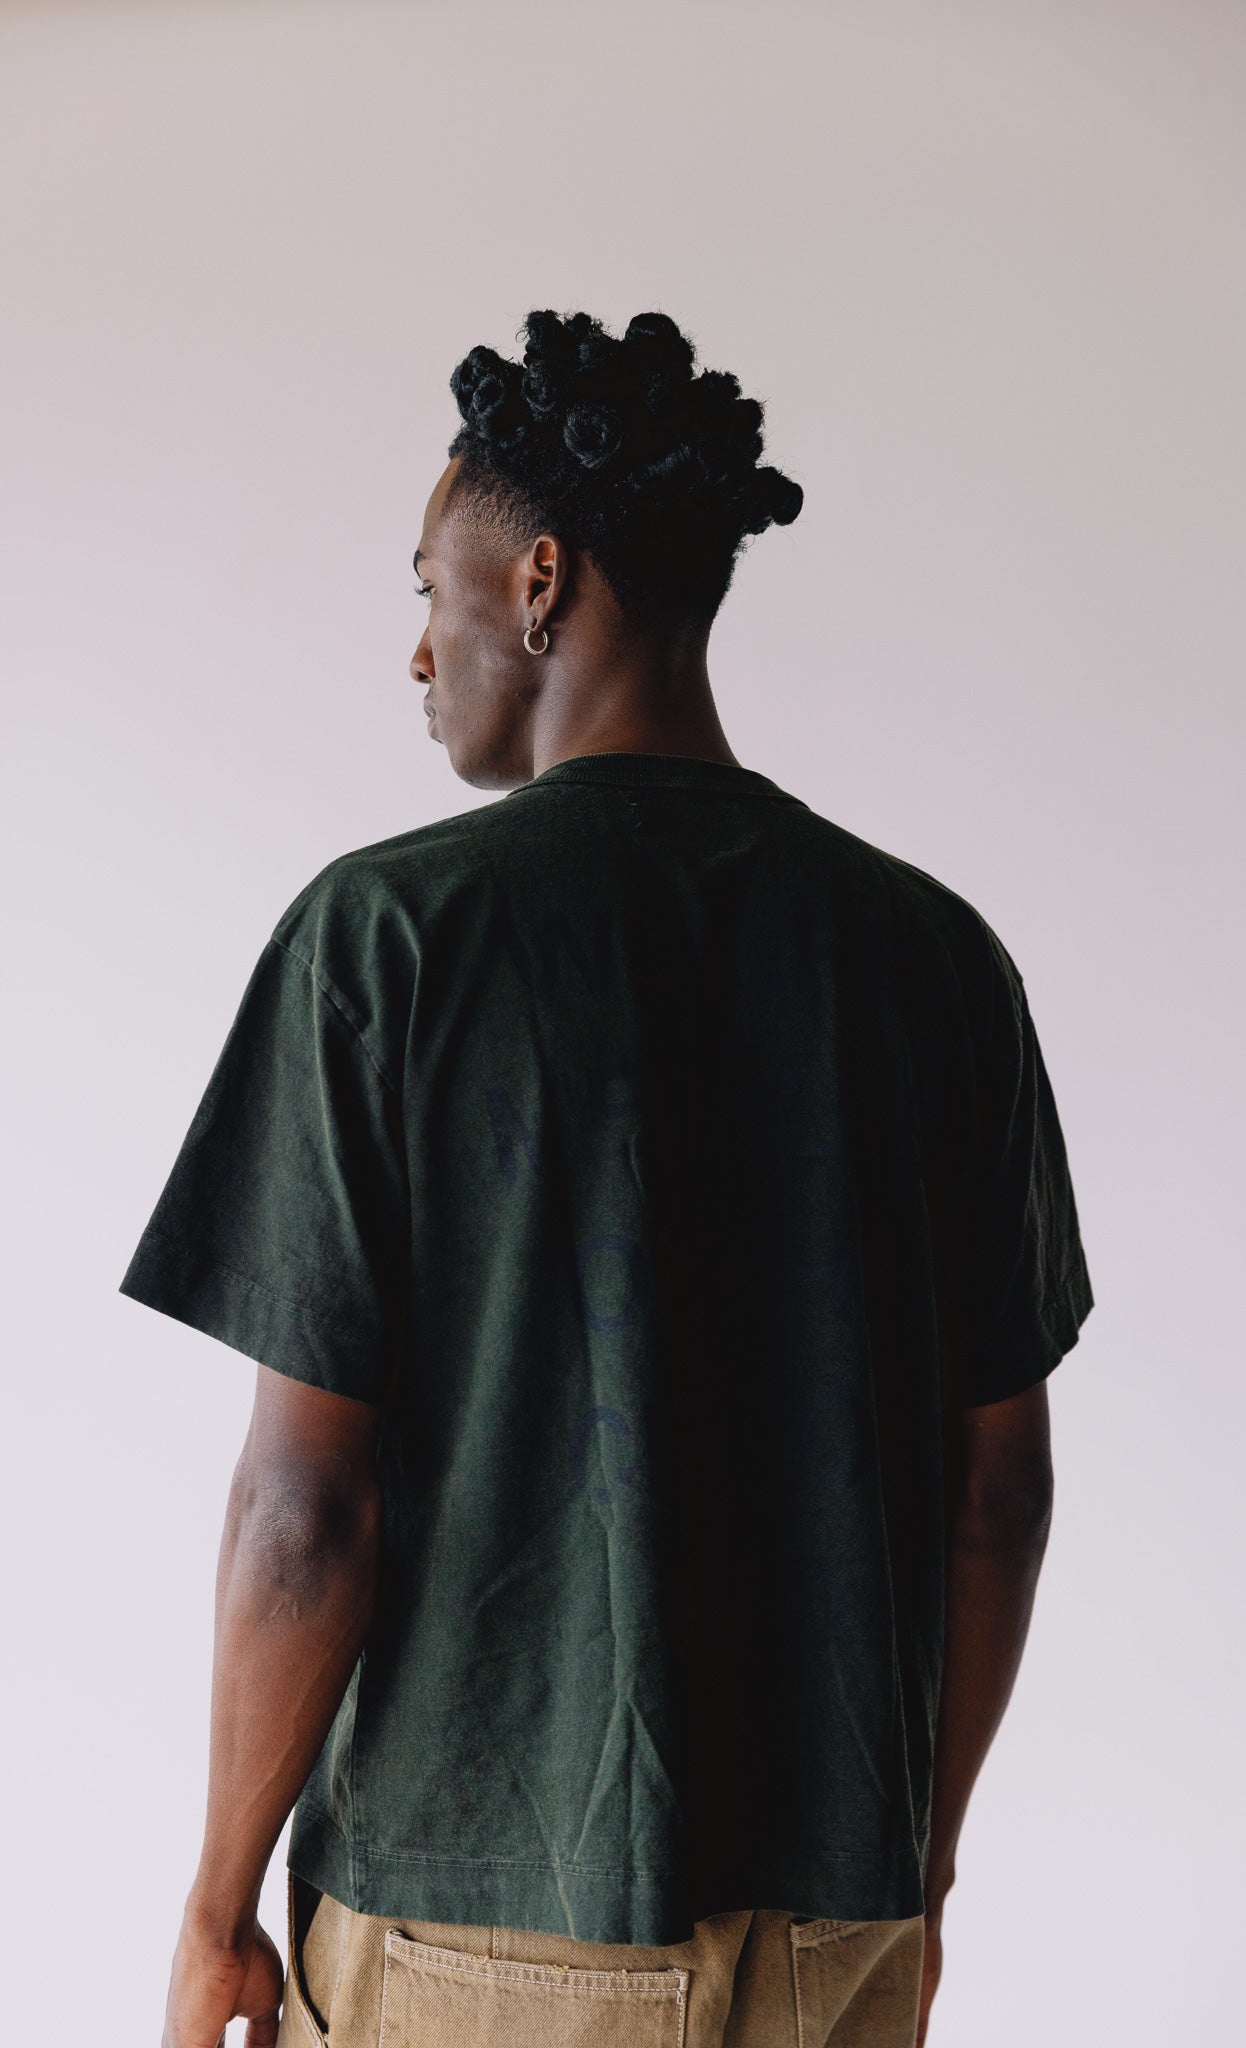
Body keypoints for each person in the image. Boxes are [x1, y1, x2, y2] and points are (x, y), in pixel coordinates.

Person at [119, 308, 1094, 2048]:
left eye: (428, 589)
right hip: (837, 1932)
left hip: (473, 1928)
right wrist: (919, 1877)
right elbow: (997, 1493)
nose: (417, 651)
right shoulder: (934, 959)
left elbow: (304, 1509)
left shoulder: (388, 940)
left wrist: (212, 1912)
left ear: (539, 583)